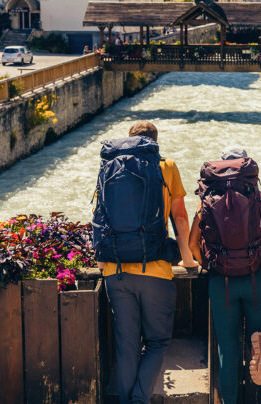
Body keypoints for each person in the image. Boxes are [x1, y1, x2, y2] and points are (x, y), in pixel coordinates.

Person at [96, 121, 197, 404]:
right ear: (155, 142)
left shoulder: (110, 165)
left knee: (126, 346)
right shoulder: (166, 166)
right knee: (157, 342)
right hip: (155, 270)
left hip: (115, 270)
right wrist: (187, 258)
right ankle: (139, 400)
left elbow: (99, 214)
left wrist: (102, 260)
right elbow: (179, 217)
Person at [189, 148, 261, 404]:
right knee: (258, 335)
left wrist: (208, 264)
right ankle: (259, 390)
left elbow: (192, 244)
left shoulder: (206, 199)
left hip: (223, 283)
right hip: (257, 280)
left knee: (228, 351)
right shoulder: (259, 197)